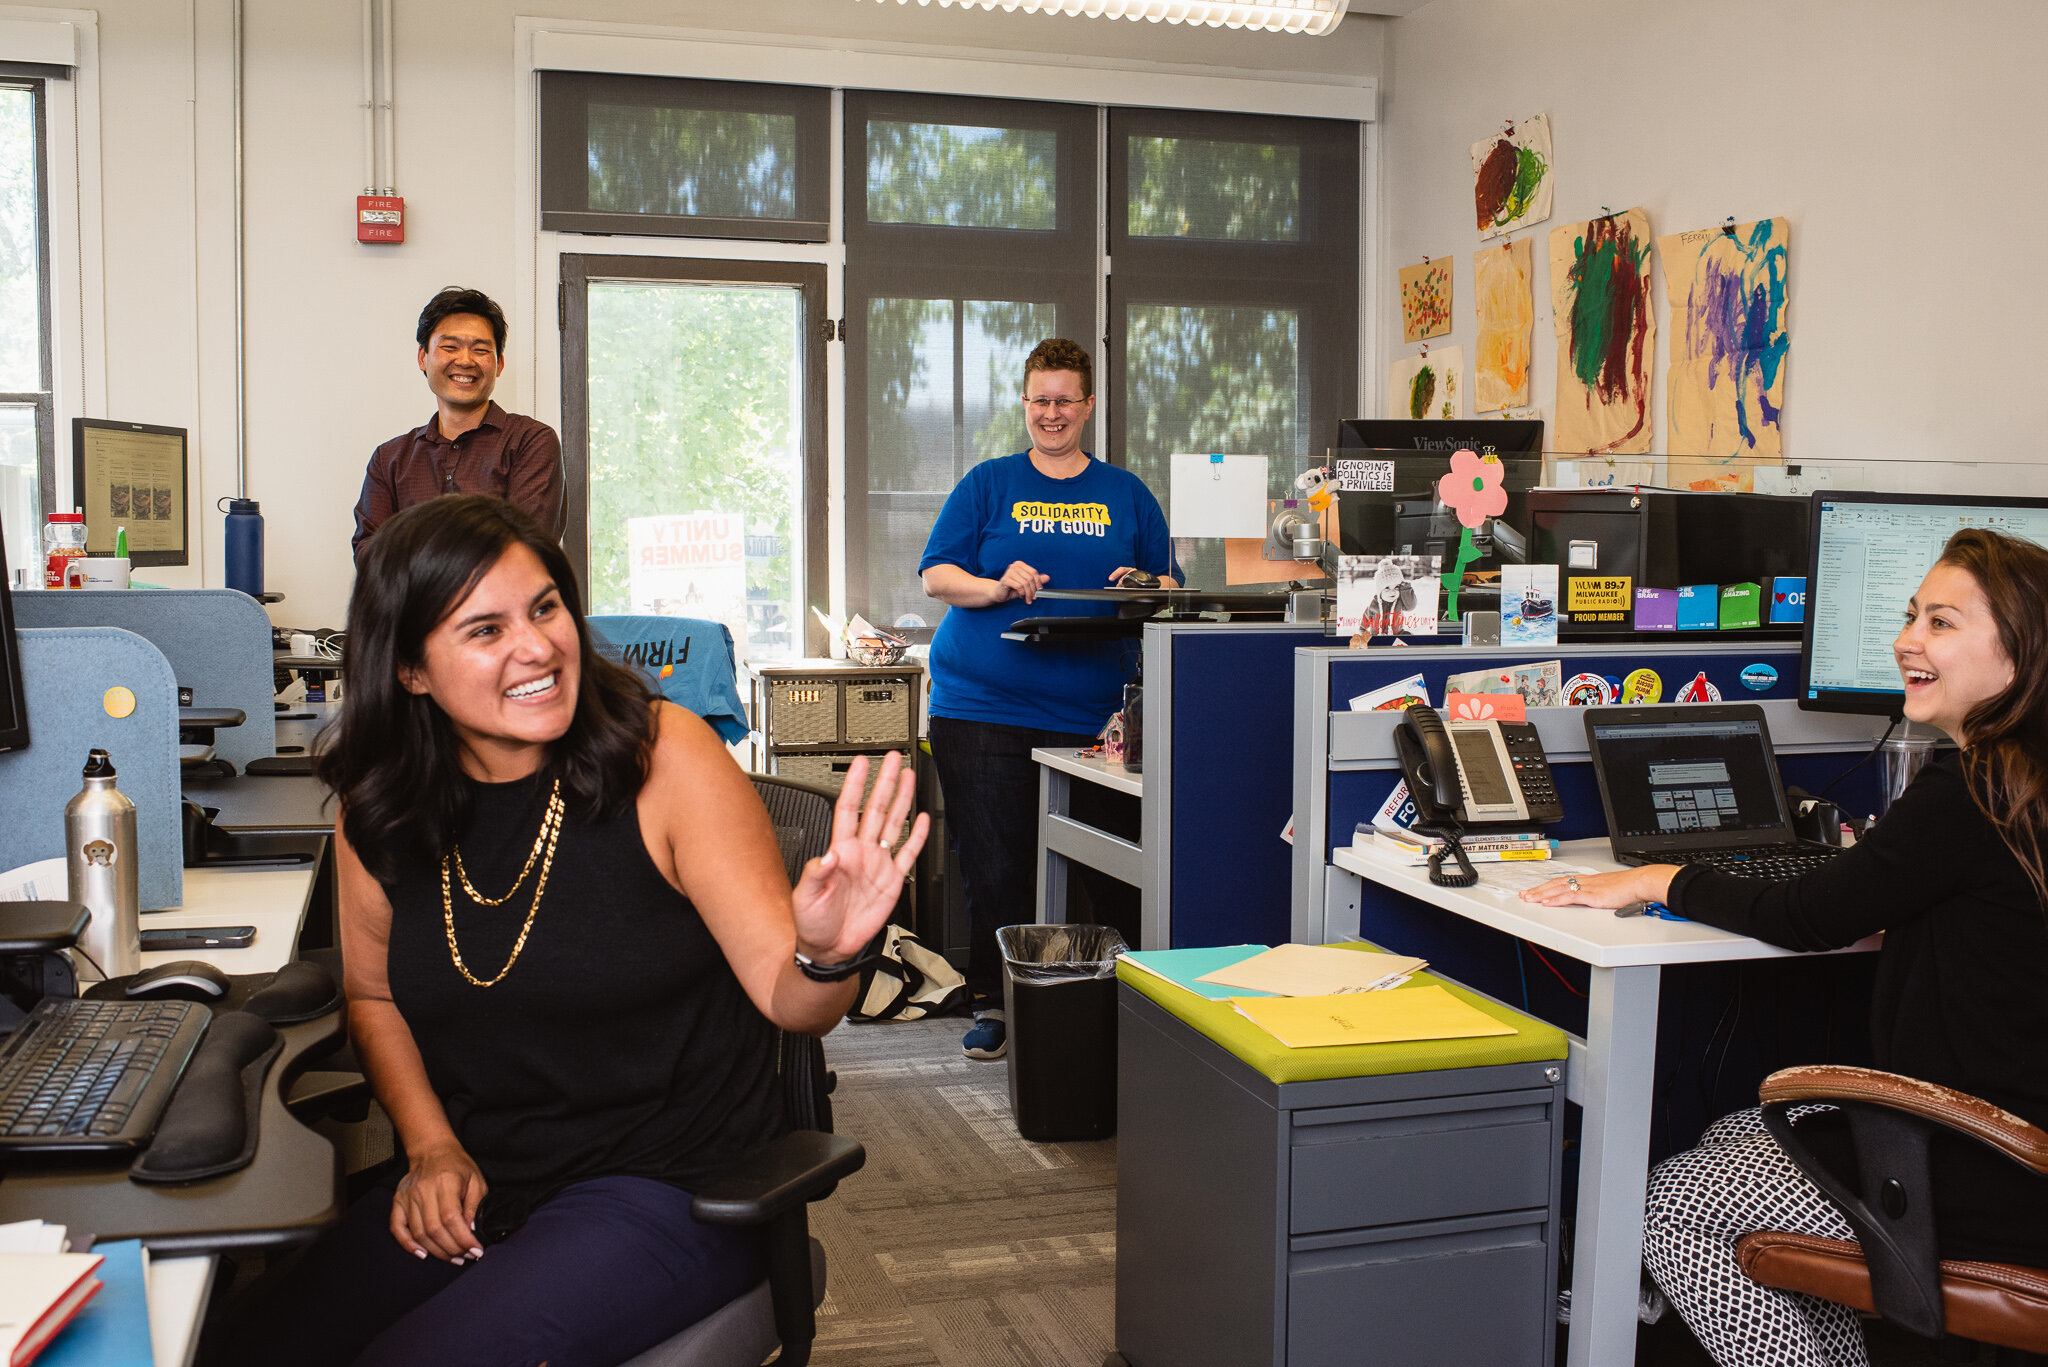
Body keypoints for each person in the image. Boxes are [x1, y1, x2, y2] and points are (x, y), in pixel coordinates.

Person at [222, 495, 926, 1367]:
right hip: (487, 1173)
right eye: (484, 630)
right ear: (410, 669)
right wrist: (431, 1144)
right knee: (246, 1344)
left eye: (545, 607)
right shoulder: (382, 803)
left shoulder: (662, 756)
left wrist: (828, 951)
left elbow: (792, 1002)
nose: (537, 648)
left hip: (669, 1183)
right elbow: (372, 993)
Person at [1520, 527, 2048, 1367]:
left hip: (1988, 1168)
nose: (1907, 639)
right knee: (1736, 1132)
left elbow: (1812, 914)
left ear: (2022, 652)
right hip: (2007, 1145)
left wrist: (1662, 878)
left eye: (1942, 623)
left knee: (1671, 1203)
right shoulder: (2019, 781)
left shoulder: (1975, 788)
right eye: (1912, 616)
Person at [919, 337, 1179, 1061]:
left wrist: (1142, 585)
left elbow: (1169, 586)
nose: (1053, 413)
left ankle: (1122, 1002)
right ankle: (995, 1004)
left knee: (1111, 868)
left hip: (1094, 718)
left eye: (1066, 399)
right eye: (1041, 399)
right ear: (1025, 403)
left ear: (1089, 405)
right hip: (983, 705)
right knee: (998, 863)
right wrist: (998, 584)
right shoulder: (988, 484)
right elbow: (938, 576)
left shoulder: (1126, 494)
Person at [352, 288, 566, 565]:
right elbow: (369, 555)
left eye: (480, 350)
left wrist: (412, 545)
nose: (465, 361)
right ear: (423, 358)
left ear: (499, 363)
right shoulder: (389, 459)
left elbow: (526, 550)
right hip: (416, 611)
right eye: (450, 347)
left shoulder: (531, 442)